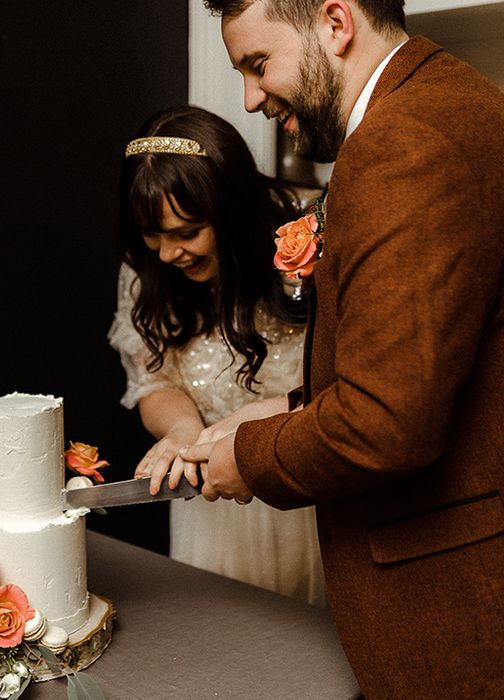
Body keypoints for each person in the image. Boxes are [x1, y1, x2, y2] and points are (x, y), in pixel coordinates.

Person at [181, 1, 504, 697]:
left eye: (258, 64)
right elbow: (433, 359)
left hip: (459, 606)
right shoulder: (455, 96)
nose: (250, 97)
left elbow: (385, 425)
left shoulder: (402, 141)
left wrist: (250, 456)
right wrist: (288, 406)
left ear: (335, 23)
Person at [108, 104, 326, 605]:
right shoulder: (146, 272)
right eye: (152, 234)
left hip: (307, 498)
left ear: (232, 211)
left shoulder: (306, 236)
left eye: (187, 233)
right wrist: (184, 432)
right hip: (210, 507)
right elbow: (154, 382)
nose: (167, 254)